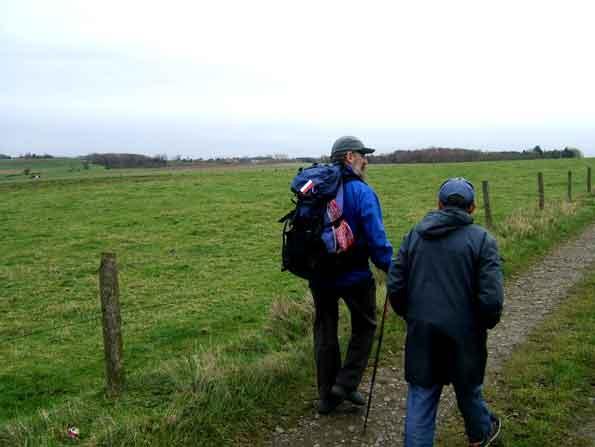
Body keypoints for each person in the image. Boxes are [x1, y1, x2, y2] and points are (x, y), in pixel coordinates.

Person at [386, 178, 504, 447]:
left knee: (422, 398)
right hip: (465, 334)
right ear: (472, 208)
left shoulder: (413, 235)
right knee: (469, 390)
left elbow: (395, 284)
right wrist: (484, 324)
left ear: (439, 204)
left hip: (422, 332)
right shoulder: (483, 240)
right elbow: (492, 299)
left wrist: (410, 315)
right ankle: (481, 437)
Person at [311, 136, 393, 415]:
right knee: (365, 326)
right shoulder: (361, 192)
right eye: (362, 155)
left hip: (319, 274)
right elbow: (376, 237)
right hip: (354, 275)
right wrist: (390, 266)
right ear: (349, 157)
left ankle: (327, 395)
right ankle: (345, 384)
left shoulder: (317, 189)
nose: (366, 159)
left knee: (325, 330)